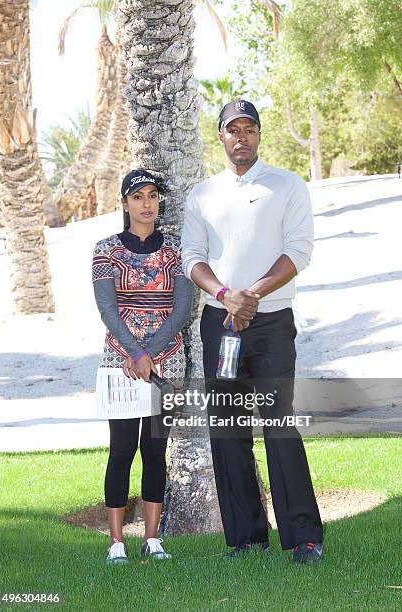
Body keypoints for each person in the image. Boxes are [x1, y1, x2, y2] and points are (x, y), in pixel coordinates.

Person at [181, 100, 323, 563]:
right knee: (228, 431)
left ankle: (304, 538)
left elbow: (298, 251)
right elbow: (192, 258)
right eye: (232, 129)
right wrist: (227, 297)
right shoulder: (202, 194)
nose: (241, 136)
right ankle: (245, 537)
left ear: (259, 136)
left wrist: (252, 296)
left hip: (272, 323)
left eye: (250, 129)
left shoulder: (286, 184)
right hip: (220, 324)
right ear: (220, 137)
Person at [92, 169, 193, 564]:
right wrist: (136, 354)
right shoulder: (105, 250)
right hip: (121, 362)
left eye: (153, 196)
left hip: (166, 363)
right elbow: (107, 309)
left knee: (155, 450)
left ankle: (152, 539)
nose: (146, 204)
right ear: (125, 203)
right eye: (138, 197)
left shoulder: (177, 250)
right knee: (121, 451)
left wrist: (152, 352)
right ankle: (116, 542)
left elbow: (181, 308)